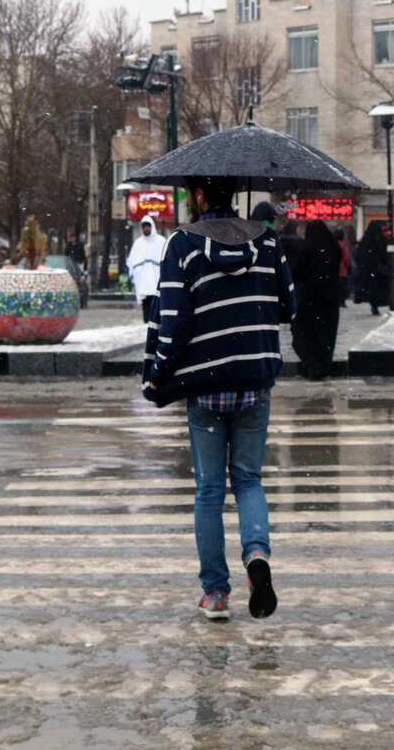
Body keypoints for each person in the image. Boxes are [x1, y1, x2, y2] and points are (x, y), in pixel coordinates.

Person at [142, 176, 296, 622]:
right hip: (254, 378)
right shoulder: (267, 242)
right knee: (248, 479)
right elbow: (289, 306)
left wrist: (158, 375)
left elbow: (173, 319)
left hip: (206, 384)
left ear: (202, 196)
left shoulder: (183, 244)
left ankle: (215, 593)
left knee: (209, 489)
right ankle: (257, 555)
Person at [291, 220, 342, 380]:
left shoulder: (306, 249)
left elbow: (297, 272)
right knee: (326, 335)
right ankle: (323, 365)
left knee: (307, 335)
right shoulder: (334, 247)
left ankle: (312, 365)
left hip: (309, 300)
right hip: (329, 299)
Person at [126, 215, 167, 323]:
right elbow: (132, 261)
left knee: (157, 306)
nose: (146, 229)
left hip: (156, 281)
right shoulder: (138, 243)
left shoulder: (161, 241)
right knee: (147, 309)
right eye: (144, 227)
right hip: (143, 283)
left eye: (148, 227)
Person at [354, 221, 391, 315]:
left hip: (368, 270)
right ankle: (376, 304)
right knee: (377, 288)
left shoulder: (366, 240)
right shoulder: (381, 239)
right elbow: (385, 253)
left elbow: (358, 255)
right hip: (378, 270)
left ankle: (373, 304)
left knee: (370, 288)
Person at [334, 227, 351, 308]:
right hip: (342, 270)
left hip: (334, 270)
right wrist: (347, 266)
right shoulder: (343, 245)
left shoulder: (332, 244)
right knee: (343, 287)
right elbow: (346, 258)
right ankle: (342, 301)